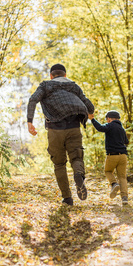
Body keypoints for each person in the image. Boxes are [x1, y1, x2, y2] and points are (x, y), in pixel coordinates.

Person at [27, 64, 94, 206]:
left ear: (51, 76)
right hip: (74, 127)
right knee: (76, 156)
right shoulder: (73, 86)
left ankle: (67, 198)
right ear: (65, 75)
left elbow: (33, 100)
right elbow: (89, 105)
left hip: (54, 129)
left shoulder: (45, 86)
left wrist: (29, 122)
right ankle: (78, 175)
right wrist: (91, 113)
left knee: (59, 164)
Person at [88, 110, 129, 205]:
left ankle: (114, 184)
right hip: (123, 156)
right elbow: (126, 141)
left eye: (107, 119)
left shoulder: (110, 126)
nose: (107, 121)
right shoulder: (122, 129)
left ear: (109, 119)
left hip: (112, 155)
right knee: (122, 177)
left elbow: (100, 128)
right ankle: (124, 198)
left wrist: (92, 119)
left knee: (108, 171)